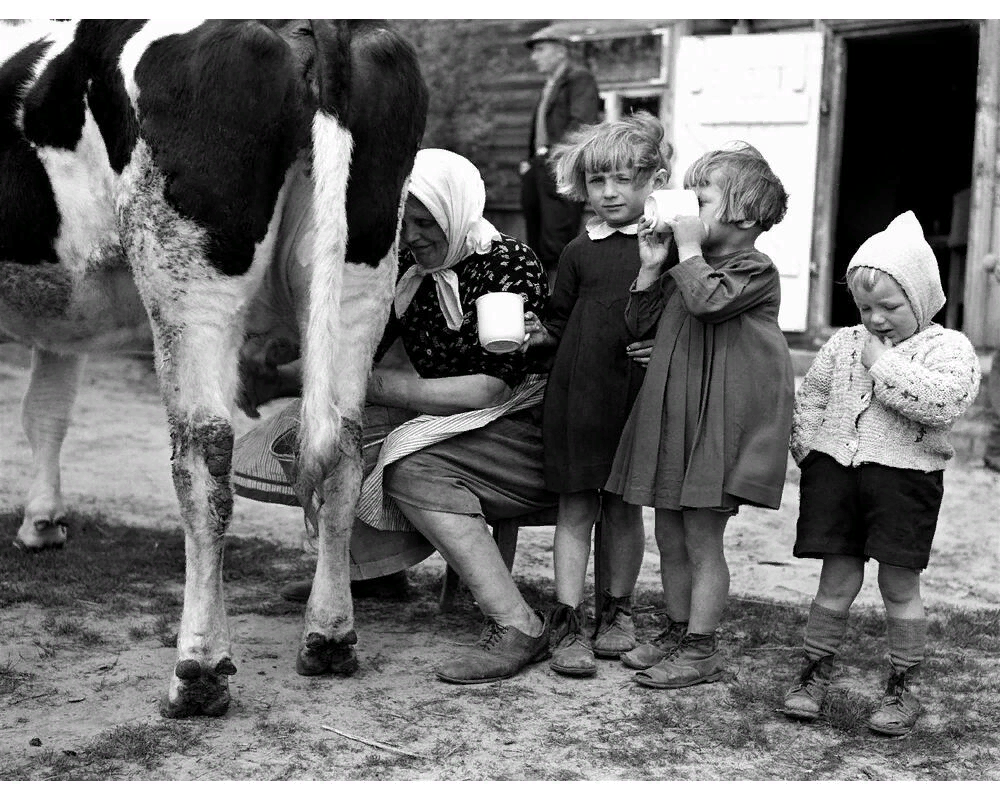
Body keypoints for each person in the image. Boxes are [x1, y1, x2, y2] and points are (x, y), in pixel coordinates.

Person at [233, 148, 558, 684]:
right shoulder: (411, 270)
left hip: (520, 425)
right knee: (321, 431)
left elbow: (486, 388)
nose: (413, 235)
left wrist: (381, 385)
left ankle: (518, 623)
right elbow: (357, 356)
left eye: (426, 222)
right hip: (456, 416)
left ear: (457, 211)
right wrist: (277, 376)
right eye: (403, 222)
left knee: (411, 468)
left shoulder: (507, 263)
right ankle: (371, 571)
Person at [782, 211, 981, 736]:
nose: (875, 319)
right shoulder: (842, 343)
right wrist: (810, 450)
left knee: (898, 582)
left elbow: (943, 403)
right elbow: (815, 394)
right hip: (837, 476)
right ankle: (814, 671)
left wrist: (883, 364)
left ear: (920, 299)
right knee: (836, 577)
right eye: (865, 307)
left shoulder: (948, 348)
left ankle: (903, 685)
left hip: (904, 482)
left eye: (890, 307)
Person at [605, 142, 795, 690]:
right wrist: (648, 269)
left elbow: (708, 302)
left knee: (701, 539)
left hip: (714, 426)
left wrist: (686, 250)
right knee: (669, 533)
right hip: (676, 418)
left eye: (701, 199)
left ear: (745, 214)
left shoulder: (754, 269)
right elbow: (639, 323)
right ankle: (679, 627)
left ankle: (703, 648)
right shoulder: (689, 266)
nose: (689, 209)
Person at [521, 112, 670, 677]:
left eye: (623, 181)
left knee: (625, 509)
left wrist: (660, 348)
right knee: (576, 507)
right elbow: (561, 322)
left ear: (653, 180)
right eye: (597, 182)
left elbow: (675, 319)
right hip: (577, 396)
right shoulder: (579, 252)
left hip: (634, 397)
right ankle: (567, 617)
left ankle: (617, 611)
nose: (608, 193)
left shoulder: (667, 249)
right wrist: (540, 334)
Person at [519, 26, 602, 289]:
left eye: (541, 50)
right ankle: (539, 296)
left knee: (556, 240)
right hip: (538, 166)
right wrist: (531, 160)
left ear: (561, 50)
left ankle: (559, 301)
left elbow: (582, 125)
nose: (534, 57)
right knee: (536, 240)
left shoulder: (579, 79)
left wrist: (552, 157)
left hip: (560, 167)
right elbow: (541, 128)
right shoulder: (549, 85)